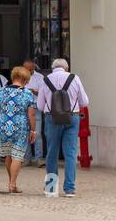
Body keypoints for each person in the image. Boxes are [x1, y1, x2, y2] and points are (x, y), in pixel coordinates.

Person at [37, 58, 89, 198]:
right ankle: (69, 189)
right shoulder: (74, 78)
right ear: (66, 68)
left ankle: (51, 189)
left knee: (52, 152)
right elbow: (84, 101)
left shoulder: (46, 80)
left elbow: (40, 106)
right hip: (72, 117)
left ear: (52, 67)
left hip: (52, 118)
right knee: (70, 154)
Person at [0, 66, 37, 193]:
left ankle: (12, 182)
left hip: (4, 125)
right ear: (25, 79)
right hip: (20, 126)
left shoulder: (1, 91)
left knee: (8, 154)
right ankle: (12, 184)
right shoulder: (27, 93)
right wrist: (33, 130)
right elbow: (31, 114)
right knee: (17, 155)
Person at [22, 58, 46, 168]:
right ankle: (27, 158)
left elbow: (44, 93)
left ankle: (38, 158)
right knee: (25, 133)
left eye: (31, 69)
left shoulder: (40, 77)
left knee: (37, 133)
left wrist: (34, 91)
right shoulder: (20, 77)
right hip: (24, 107)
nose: (29, 71)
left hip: (36, 106)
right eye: (27, 69)